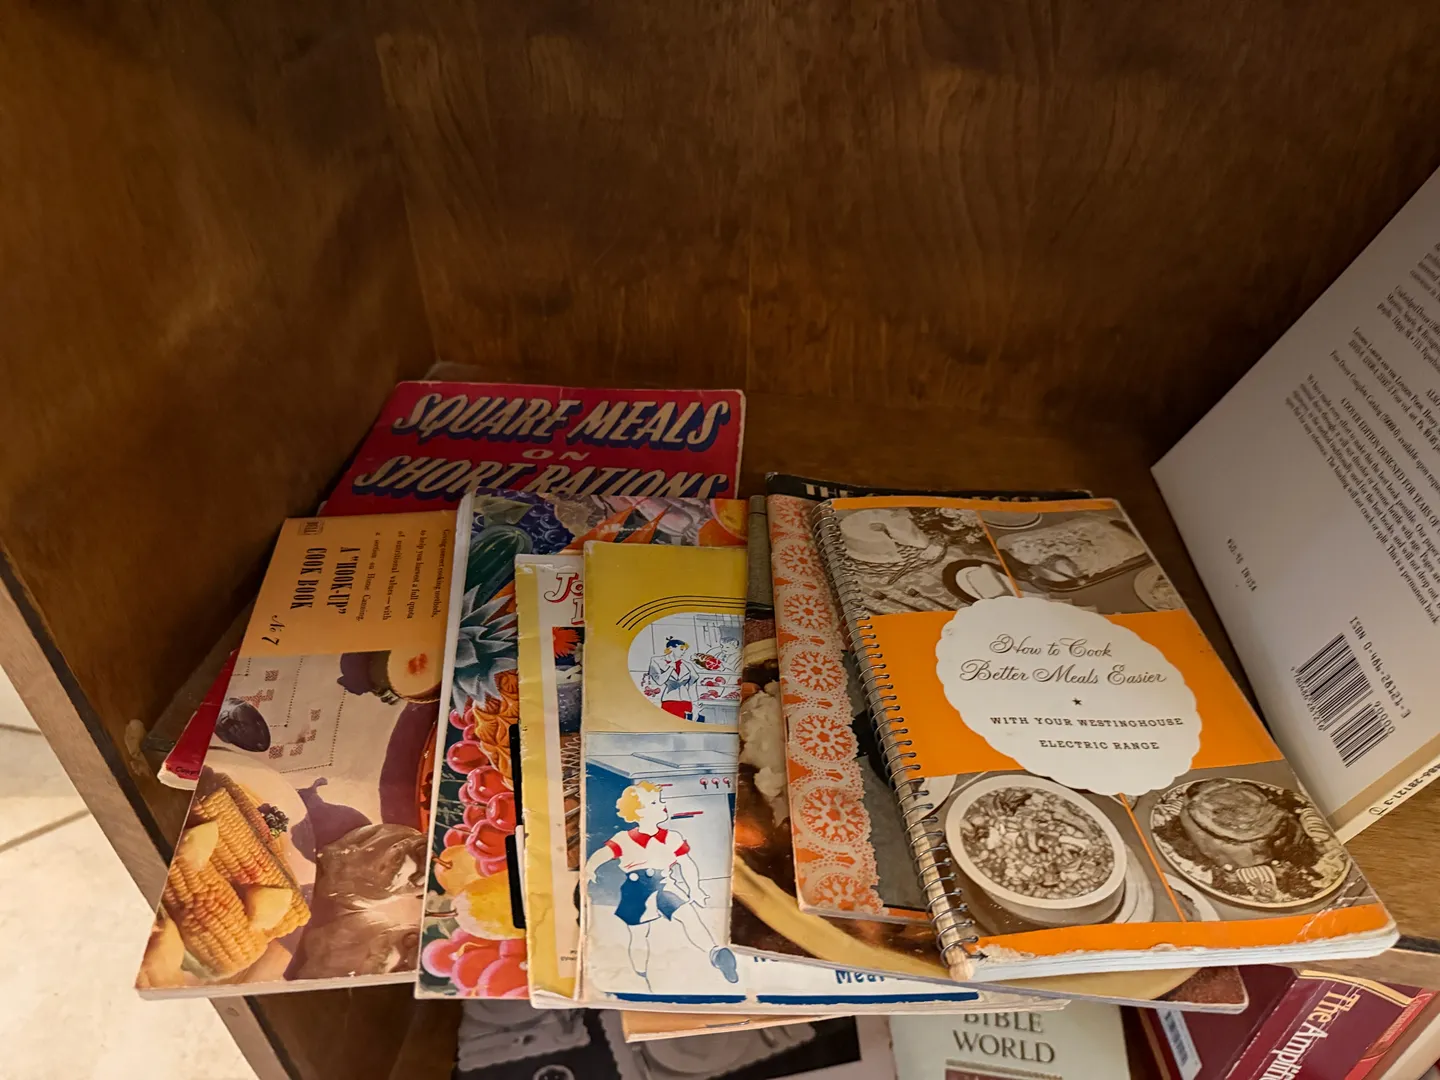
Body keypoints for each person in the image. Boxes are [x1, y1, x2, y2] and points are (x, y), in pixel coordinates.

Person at [584, 781, 738, 989]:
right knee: (639, 934)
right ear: (638, 812)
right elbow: (602, 854)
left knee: (688, 916)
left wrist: (694, 889)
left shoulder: (672, 838)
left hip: (665, 886)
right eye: (655, 803)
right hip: (636, 891)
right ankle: (640, 973)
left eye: (660, 801)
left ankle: (716, 953)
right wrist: (590, 869)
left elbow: (687, 864)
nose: (662, 805)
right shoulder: (624, 839)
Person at [641, 637, 701, 719]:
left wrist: (695, 705)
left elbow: (692, 687)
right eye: (681, 649)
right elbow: (660, 681)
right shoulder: (657, 661)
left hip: (686, 701)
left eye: (685, 650)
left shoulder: (687, 665)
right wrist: (670, 667)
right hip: (670, 700)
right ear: (671, 648)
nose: (684, 652)